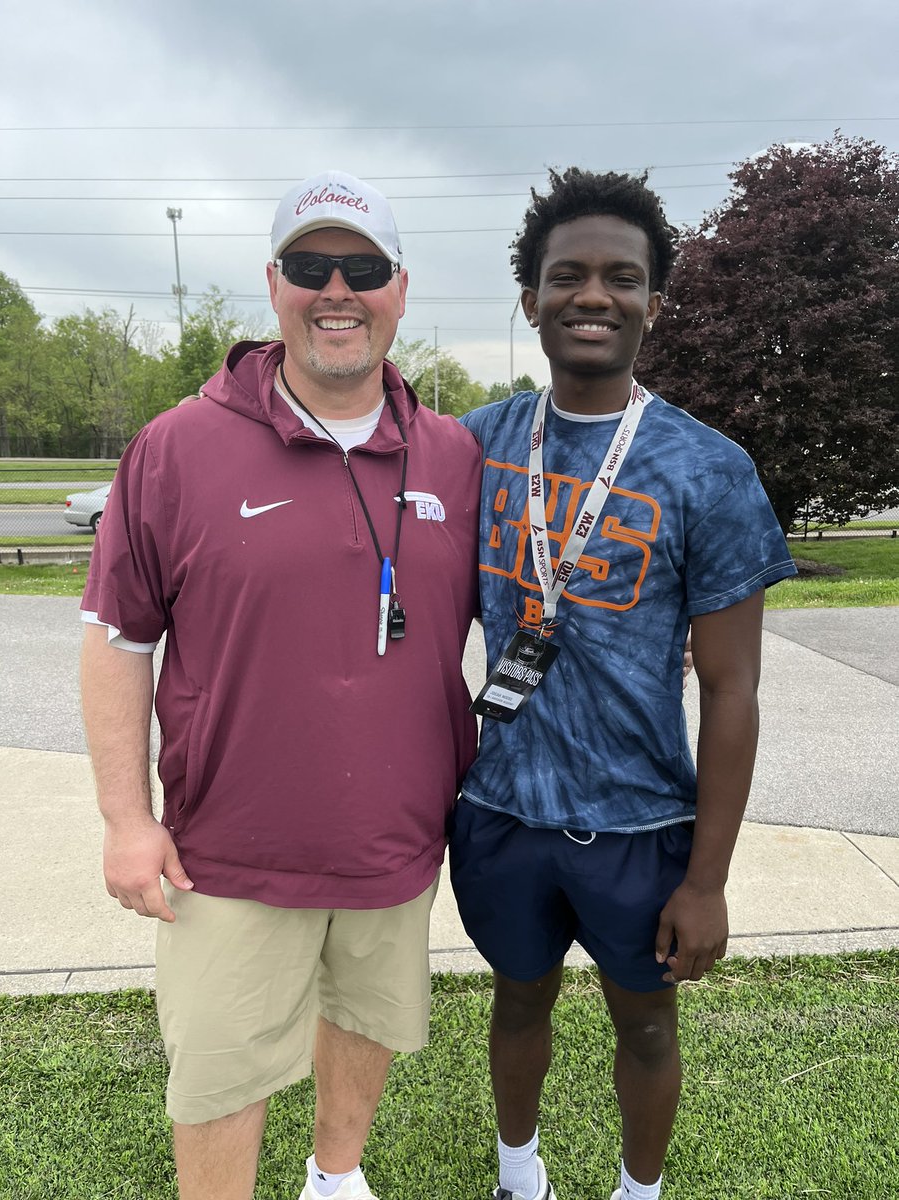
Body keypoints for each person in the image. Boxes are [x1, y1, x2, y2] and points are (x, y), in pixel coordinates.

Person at [80, 171, 482, 1200]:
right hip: (231, 850)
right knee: (219, 1072)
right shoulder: (178, 448)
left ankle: (334, 1179)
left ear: (401, 287)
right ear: (274, 283)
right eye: (311, 266)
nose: (336, 289)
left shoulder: (454, 454)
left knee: (367, 1019)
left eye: (363, 268)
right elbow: (117, 639)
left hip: (398, 842)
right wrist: (128, 820)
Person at [449, 167, 797, 1200]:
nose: (591, 295)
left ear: (654, 300)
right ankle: (522, 1177)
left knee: (645, 1021)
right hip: (499, 809)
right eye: (567, 275)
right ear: (531, 300)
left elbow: (732, 691)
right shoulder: (477, 444)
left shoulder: (708, 468)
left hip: (643, 826)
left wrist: (708, 880)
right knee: (517, 1001)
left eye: (620, 277)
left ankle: (636, 1192)